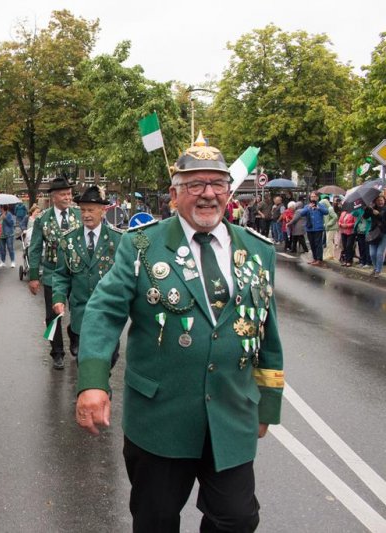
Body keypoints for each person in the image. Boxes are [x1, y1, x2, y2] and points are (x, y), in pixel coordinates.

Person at [75, 135, 284, 532]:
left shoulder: (259, 252)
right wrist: (92, 382)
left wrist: (268, 402)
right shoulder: (140, 245)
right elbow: (103, 311)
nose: (208, 194)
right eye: (195, 185)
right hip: (160, 419)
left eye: (217, 184)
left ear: (229, 191)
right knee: (155, 521)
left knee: (238, 519)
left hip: (232, 414)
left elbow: (266, 329)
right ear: (175, 194)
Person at [51, 186, 123, 369]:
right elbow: (61, 274)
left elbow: (126, 276)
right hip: (81, 312)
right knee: (87, 360)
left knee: (111, 356)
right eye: (83, 210)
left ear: (102, 211)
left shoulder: (118, 239)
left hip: (108, 311)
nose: (86, 215)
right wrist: (58, 298)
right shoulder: (69, 241)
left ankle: (101, 383)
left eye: (91, 210)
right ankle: (92, 390)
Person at [27, 176, 82, 368]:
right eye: (63, 194)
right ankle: (56, 352)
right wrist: (34, 276)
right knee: (52, 315)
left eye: (69, 194)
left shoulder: (79, 214)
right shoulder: (43, 219)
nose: (68, 197)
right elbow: (34, 248)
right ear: (53, 197)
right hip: (52, 273)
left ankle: (75, 336)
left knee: (78, 309)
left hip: (76, 272)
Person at [294, 192, 328, 266]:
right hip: (310, 228)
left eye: (314, 196)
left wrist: (319, 208)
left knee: (318, 244)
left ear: (317, 197)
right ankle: (315, 258)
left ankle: (319, 259)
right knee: (312, 244)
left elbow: (326, 212)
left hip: (318, 228)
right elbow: (302, 213)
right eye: (311, 196)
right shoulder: (307, 206)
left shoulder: (321, 205)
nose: (313, 198)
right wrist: (309, 208)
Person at [364, 195, 386, 276]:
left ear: (384, 201)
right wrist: (367, 209)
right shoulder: (372, 208)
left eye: (381, 200)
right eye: (378, 200)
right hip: (373, 233)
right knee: (372, 254)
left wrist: (378, 214)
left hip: (384, 233)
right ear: (375, 201)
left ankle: (378, 271)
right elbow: (365, 217)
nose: (380, 202)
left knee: (379, 253)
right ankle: (375, 268)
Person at [321, 197, 338, 262]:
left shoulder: (330, 209)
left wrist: (328, 224)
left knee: (329, 241)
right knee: (328, 241)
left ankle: (330, 255)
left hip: (332, 227)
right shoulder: (326, 209)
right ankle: (329, 254)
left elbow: (335, 217)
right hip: (328, 228)